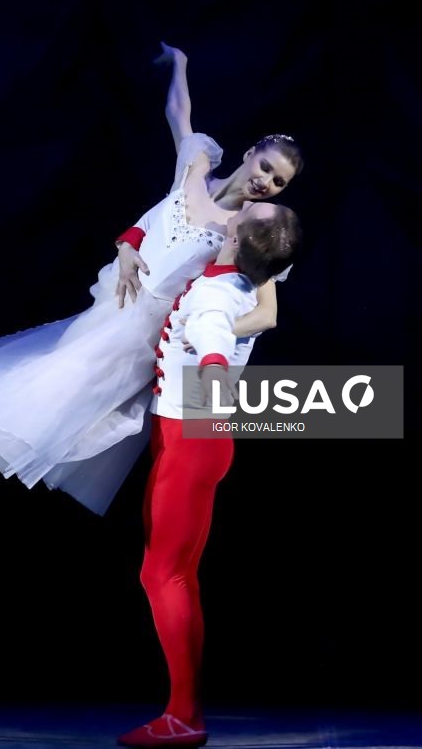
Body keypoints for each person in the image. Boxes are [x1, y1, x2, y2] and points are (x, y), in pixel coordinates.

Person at [0, 43, 304, 515]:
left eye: (278, 183)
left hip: (146, 335)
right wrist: (181, 64)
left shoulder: (252, 229)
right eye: (266, 167)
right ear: (252, 154)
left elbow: (266, 314)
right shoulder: (197, 169)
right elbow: (177, 114)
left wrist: (204, 333)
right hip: (117, 302)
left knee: (78, 405)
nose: (265, 182)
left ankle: (8, 493)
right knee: (50, 381)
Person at [117, 201, 302, 748]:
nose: (239, 206)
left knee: (162, 576)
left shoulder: (217, 296)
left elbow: (215, 338)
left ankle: (184, 716)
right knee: (174, 575)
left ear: (237, 238)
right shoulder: (230, 278)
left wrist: (216, 370)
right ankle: (184, 710)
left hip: (193, 435)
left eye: (248, 211)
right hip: (189, 433)